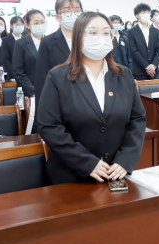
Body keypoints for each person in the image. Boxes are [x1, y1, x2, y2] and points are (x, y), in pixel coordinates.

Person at [37, 11, 147, 184]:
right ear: (78, 37)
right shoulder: (57, 77)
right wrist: (87, 163)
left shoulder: (123, 75)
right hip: (70, 176)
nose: (101, 38)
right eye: (93, 32)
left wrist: (126, 159)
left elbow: (137, 119)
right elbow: (49, 126)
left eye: (106, 33)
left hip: (115, 174)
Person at [36, 0, 83, 107]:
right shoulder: (48, 42)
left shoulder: (89, 39)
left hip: (87, 101)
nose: (73, 15)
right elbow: (41, 79)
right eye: (67, 11)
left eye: (77, 11)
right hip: (60, 101)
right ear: (57, 17)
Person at [14, 9, 45, 101]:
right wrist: (33, 91)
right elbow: (18, 71)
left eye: (42, 22)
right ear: (28, 25)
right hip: (28, 93)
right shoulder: (20, 44)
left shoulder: (50, 42)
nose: (40, 25)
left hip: (48, 91)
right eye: (36, 23)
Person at [127, 3, 159, 80]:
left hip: (154, 70)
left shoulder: (155, 31)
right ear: (137, 15)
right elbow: (133, 51)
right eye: (143, 13)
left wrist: (153, 65)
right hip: (139, 71)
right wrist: (147, 66)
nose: (146, 15)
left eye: (148, 12)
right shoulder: (132, 31)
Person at [1, 16, 25, 81]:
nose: (19, 26)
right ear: (11, 26)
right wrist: (15, 73)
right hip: (12, 75)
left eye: (21, 24)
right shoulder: (5, 40)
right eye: (17, 24)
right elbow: (5, 59)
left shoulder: (26, 39)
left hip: (26, 75)